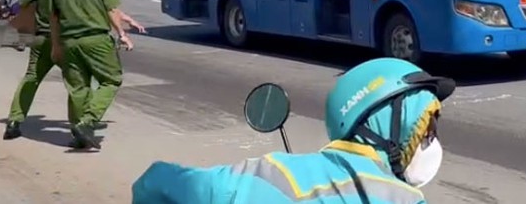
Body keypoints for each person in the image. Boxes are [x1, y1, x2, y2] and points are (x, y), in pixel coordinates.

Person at [132, 58, 456, 204]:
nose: (430, 141)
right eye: (425, 130)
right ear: (387, 126)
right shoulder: (404, 200)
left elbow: (154, 183)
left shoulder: (269, 174)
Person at [49, 0, 139, 149]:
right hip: (96, 39)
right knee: (111, 80)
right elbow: (111, 10)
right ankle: (88, 121)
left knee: (77, 88)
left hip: (69, 41)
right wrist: (122, 34)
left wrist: (56, 45)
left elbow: (53, 18)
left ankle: (79, 134)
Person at [3, 0, 64, 140]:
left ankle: (14, 121)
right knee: (77, 82)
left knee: (31, 78)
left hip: (40, 38)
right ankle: (81, 126)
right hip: (63, 40)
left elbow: (21, 4)